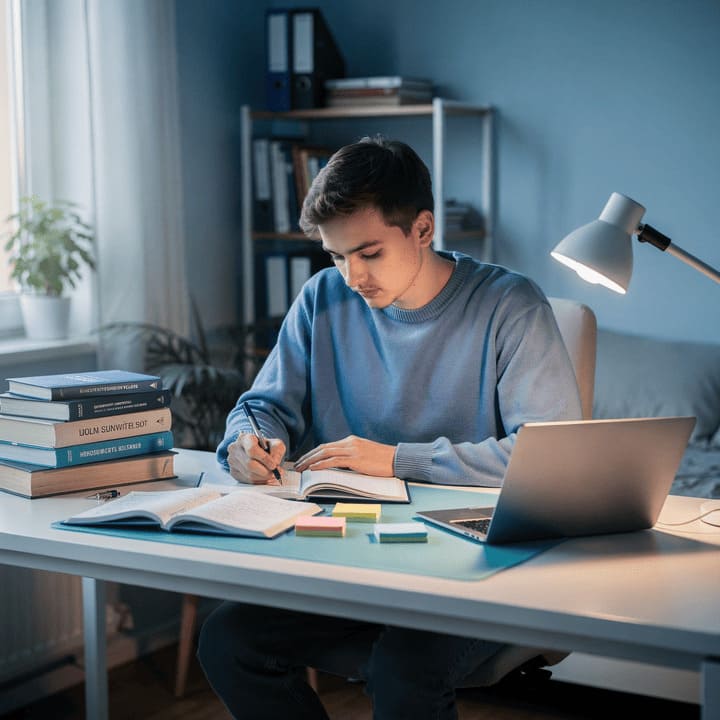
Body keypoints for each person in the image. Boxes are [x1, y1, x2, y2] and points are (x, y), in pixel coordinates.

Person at [197, 137, 582, 720]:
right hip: (354, 557)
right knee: (228, 641)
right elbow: (260, 405)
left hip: (474, 569)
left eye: (369, 253)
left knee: (404, 668)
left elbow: (552, 459)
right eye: (336, 256)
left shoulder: (511, 306)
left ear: (422, 229)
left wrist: (399, 459)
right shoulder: (321, 300)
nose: (351, 276)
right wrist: (247, 444)